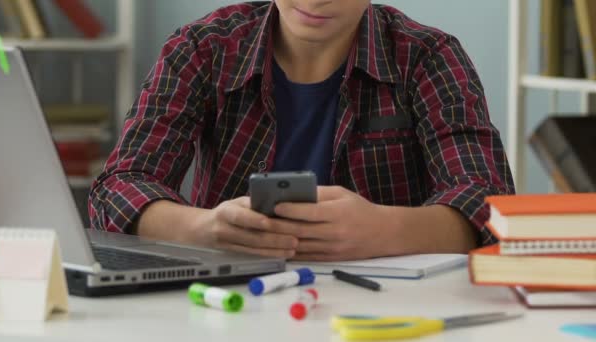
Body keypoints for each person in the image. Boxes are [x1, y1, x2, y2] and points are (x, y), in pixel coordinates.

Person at [89, 0, 514, 261]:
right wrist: (203, 229)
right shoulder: (203, 48)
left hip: (385, 315)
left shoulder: (427, 58)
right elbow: (118, 187)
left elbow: (489, 203)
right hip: (232, 306)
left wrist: (384, 230)